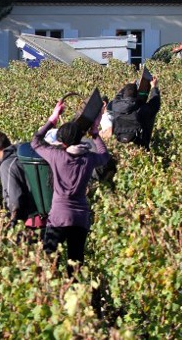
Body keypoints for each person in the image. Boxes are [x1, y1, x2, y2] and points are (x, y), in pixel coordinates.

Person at [31, 100, 110, 275]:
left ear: (62, 141)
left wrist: (53, 118)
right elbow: (104, 156)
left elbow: (35, 142)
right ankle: (73, 297)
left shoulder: (56, 155)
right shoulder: (88, 158)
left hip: (58, 217)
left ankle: (52, 295)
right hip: (80, 218)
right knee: (74, 267)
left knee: (48, 263)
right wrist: (95, 133)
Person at [0, 131, 33, 227]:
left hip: (28, 220)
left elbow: (14, 202)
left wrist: (9, 223)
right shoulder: (23, 155)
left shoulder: (7, 166)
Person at [107, 76, 161, 148]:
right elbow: (155, 104)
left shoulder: (114, 105)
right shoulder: (139, 110)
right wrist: (154, 87)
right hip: (139, 146)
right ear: (136, 95)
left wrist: (129, 86)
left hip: (121, 145)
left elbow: (118, 96)